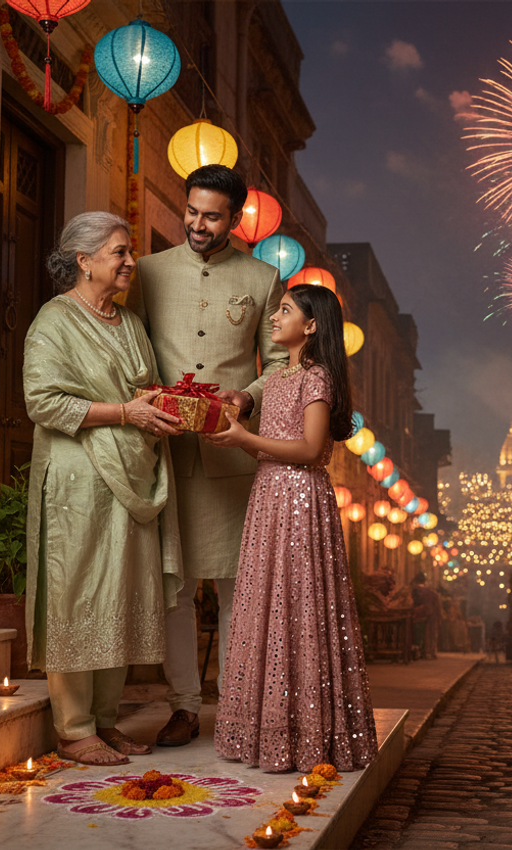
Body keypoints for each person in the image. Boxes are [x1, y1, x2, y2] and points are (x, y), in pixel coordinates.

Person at [128, 165, 289, 747]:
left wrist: (247, 396)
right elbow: (131, 346)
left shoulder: (263, 278)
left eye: (212, 216)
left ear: (235, 219)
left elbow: (279, 361)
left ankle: (242, 704)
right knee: (173, 586)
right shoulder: (148, 271)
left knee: (235, 588)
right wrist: (144, 396)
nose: (198, 224)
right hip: (166, 452)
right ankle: (185, 707)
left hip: (231, 457)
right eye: (192, 211)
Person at [23, 212, 184, 766]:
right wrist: (125, 412)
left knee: (121, 592)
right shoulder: (54, 321)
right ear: (83, 260)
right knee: (77, 592)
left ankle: (107, 721)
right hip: (78, 476)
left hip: (132, 475)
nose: (130, 262)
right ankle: (73, 728)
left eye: (129, 251)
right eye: (118, 252)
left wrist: (173, 408)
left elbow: (145, 390)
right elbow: (41, 401)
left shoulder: (129, 323)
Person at [207, 284, 377, 773]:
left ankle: (307, 732)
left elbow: (308, 449)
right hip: (268, 496)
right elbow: (264, 446)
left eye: (285, 311)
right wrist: (235, 438)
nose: (274, 317)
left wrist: (245, 437)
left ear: (311, 325)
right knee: (263, 600)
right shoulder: (276, 376)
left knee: (300, 603)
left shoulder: (317, 377)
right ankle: (262, 730)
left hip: (303, 501)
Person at [411, 572, 442, 659]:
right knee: (431, 633)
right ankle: (430, 652)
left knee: (422, 633)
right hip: (431, 614)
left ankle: (423, 651)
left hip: (421, 615)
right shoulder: (432, 592)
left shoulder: (415, 590)